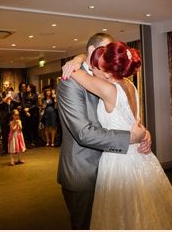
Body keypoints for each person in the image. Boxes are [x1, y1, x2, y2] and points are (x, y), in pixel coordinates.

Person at [65, 40, 172, 229]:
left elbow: (72, 70)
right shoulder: (131, 85)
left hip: (118, 161)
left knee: (121, 215)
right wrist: (145, 133)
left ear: (108, 73)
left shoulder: (108, 89)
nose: (93, 71)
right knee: (143, 212)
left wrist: (77, 58)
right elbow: (134, 122)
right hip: (140, 157)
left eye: (96, 68)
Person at [57, 32, 151, 230]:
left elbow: (129, 118)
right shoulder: (69, 82)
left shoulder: (115, 81)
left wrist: (144, 133)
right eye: (105, 52)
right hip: (85, 171)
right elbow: (83, 133)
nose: (109, 57)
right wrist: (130, 138)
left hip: (115, 169)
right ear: (93, 52)